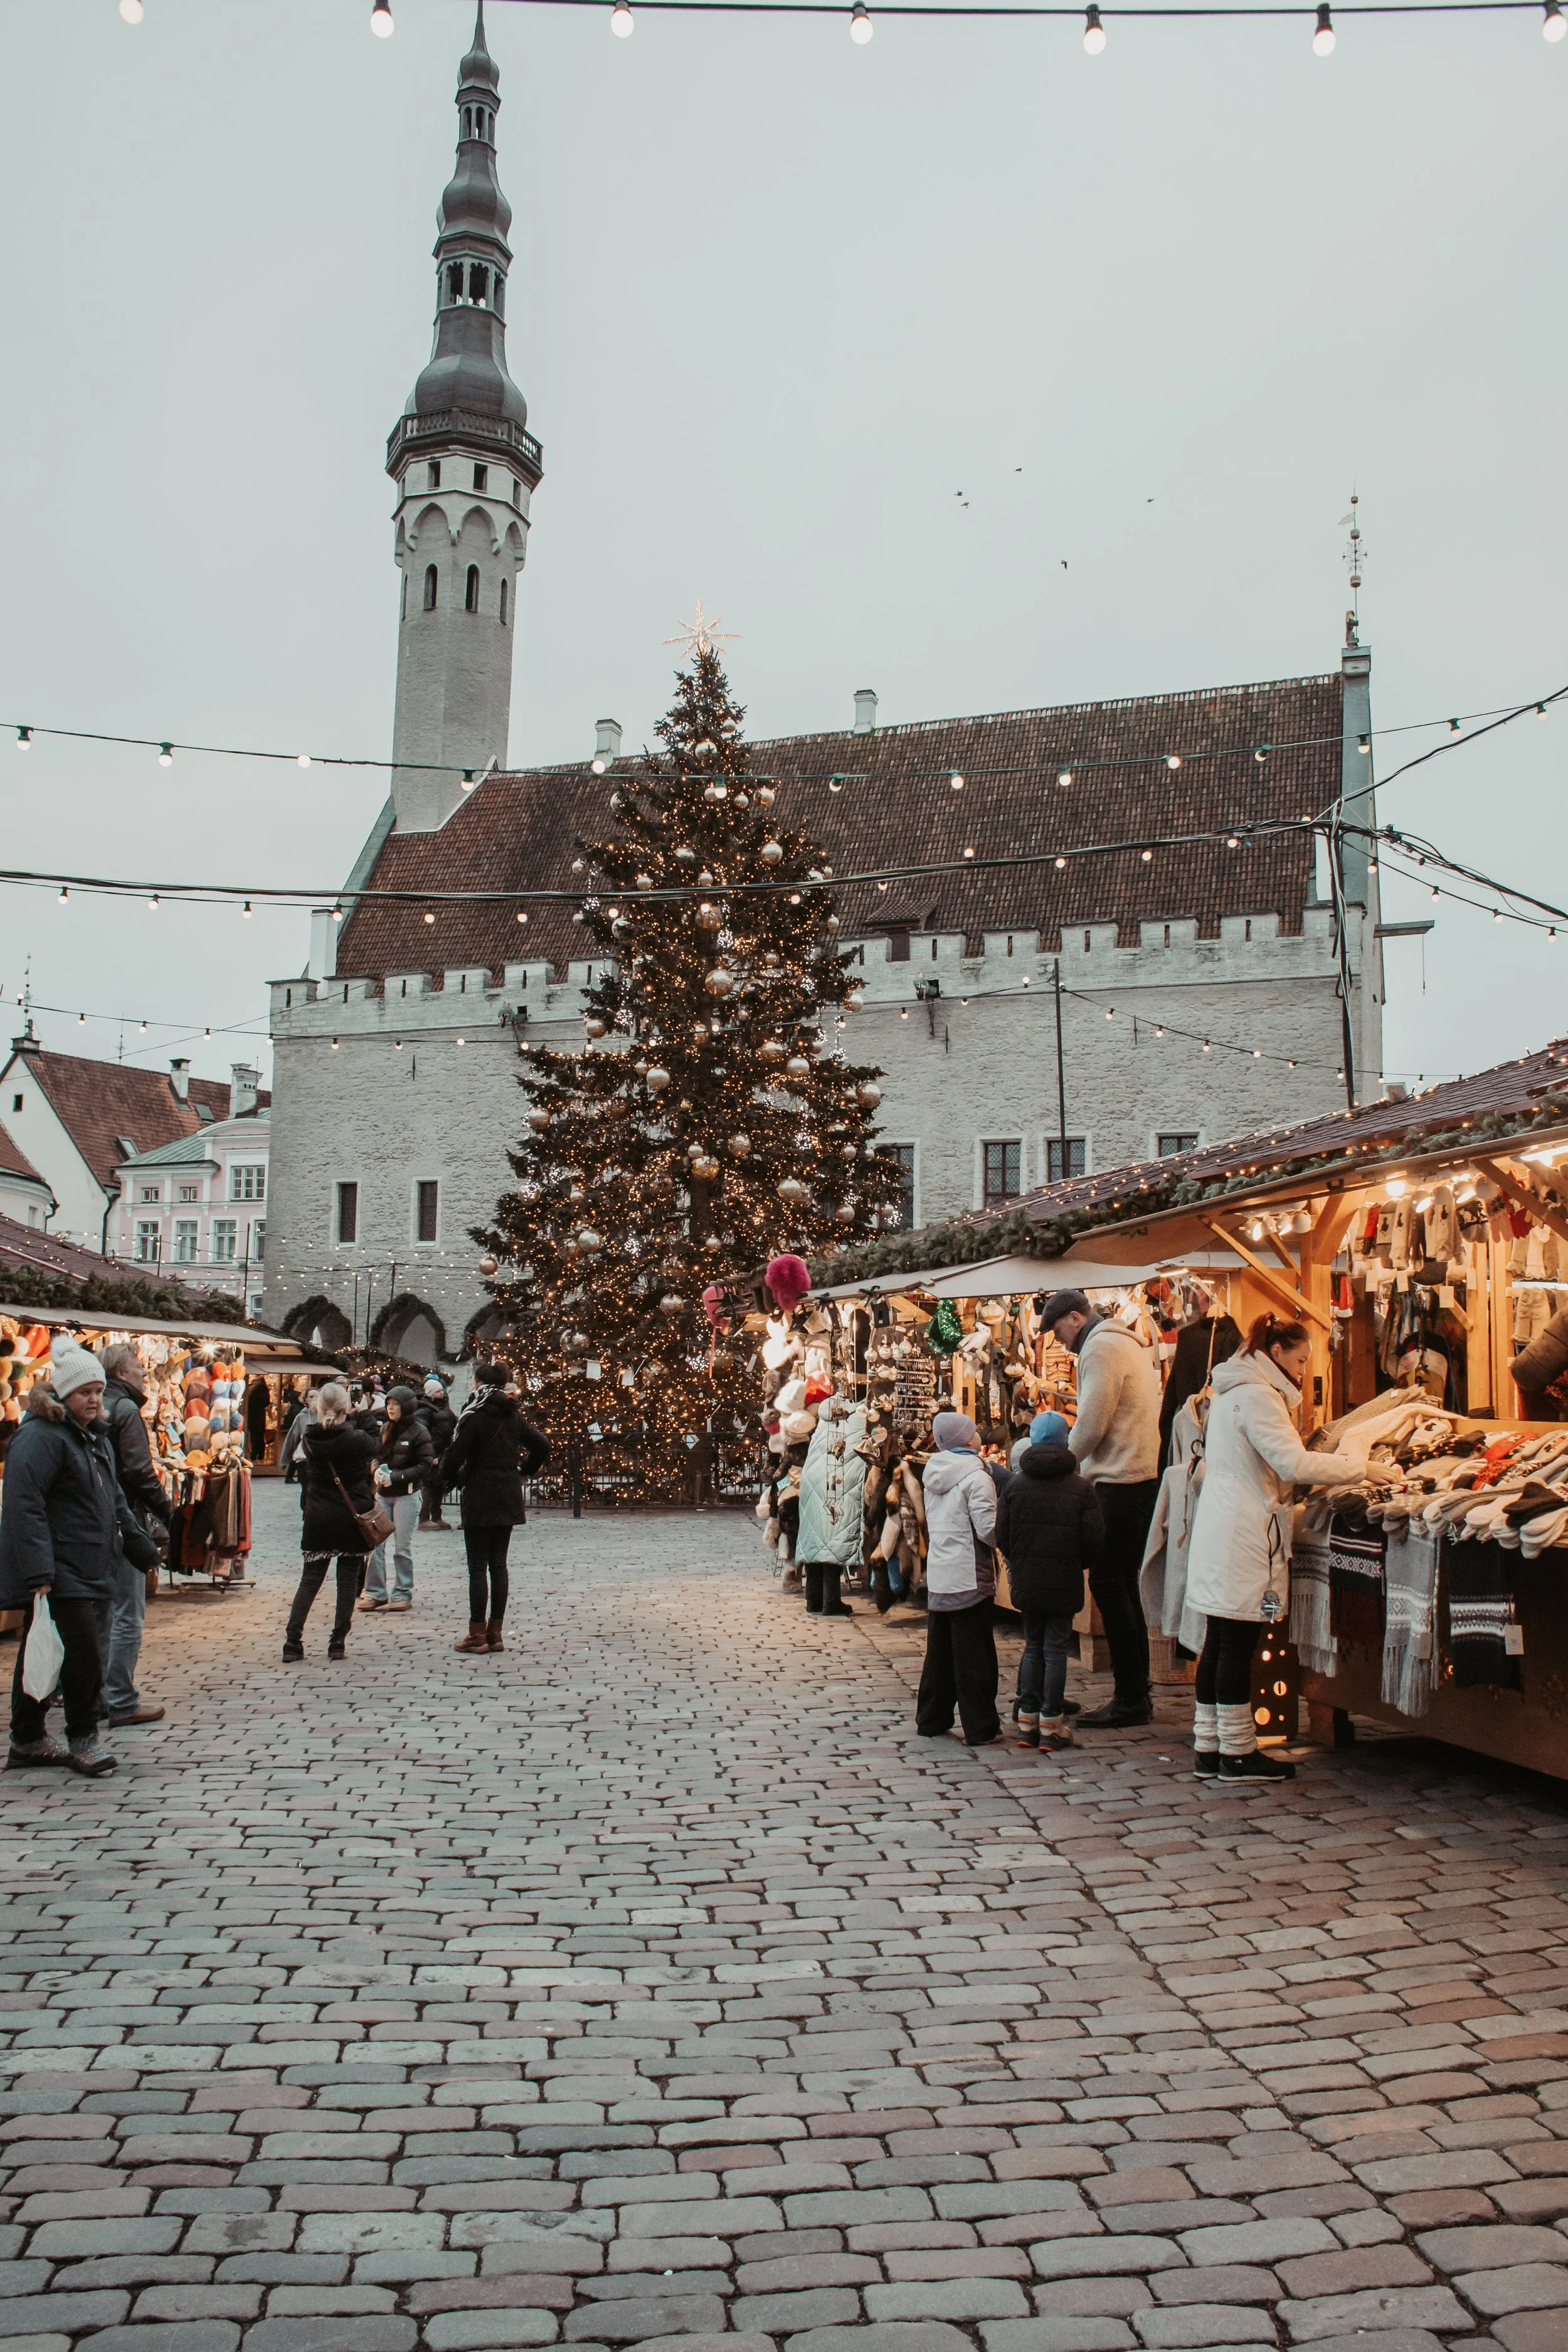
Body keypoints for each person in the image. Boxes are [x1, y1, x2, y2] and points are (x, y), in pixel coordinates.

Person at [1184, 1316, 1368, 1783]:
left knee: (1219, 1639)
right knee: (1238, 1643)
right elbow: (1292, 1462)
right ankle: (1237, 1753)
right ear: (1277, 1352)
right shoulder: (1259, 1397)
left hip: (1224, 1527)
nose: (1304, 1371)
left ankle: (1210, 1747)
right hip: (1245, 1532)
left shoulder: (1231, 1391)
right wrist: (1360, 1469)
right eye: (1301, 1360)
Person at [1, 1342, 161, 1775]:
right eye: (84, 1392)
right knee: (83, 1654)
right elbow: (24, 1506)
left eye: (98, 1391)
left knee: (42, 1653)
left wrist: (140, 1547)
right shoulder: (40, 1437)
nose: (93, 1400)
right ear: (64, 1394)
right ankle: (83, 1738)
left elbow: (114, 1501)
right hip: (59, 1567)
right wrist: (38, 1570)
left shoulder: (93, 1437)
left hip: (90, 1564)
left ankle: (27, 1739)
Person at [1038, 1289, 1163, 1730]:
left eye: (1058, 1331)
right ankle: (1136, 1690)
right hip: (1138, 1475)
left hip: (1118, 1481)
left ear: (1076, 1318)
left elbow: (1092, 1423)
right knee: (1123, 1586)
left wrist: (1059, 1466)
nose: (1059, 1341)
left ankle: (1131, 1697)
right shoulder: (1124, 1342)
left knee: (1111, 1586)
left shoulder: (1100, 1348)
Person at [995, 1410, 1104, 1754]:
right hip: (1063, 1580)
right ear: (1064, 1441)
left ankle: (1027, 1721)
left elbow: (1002, 1535)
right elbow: (1094, 1541)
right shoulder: (1081, 1488)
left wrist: (1020, 1560)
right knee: (1055, 1649)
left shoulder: (1014, 1486)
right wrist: (1077, 1563)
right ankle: (1051, 1723)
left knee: (1033, 1646)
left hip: (1027, 1581)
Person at [438, 1360, 550, 1654]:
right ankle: (496, 1634)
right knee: (499, 1565)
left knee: (477, 1567)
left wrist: (450, 1478)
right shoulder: (512, 1413)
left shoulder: (474, 1414)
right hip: (507, 1493)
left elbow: (454, 1455)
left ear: (479, 1383)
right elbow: (542, 1445)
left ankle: (476, 1635)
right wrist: (524, 1471)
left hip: (480, 1492)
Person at [96, 1343, 175, 1729]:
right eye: (138, 1368)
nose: (144, 1373)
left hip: (97, 1522)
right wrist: (168, 1510)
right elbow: (140, 1471)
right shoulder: (125, 1408)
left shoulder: (98, 1405)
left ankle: (93, 1694)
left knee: (101, 1613)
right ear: (121, 1374)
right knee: (128, 1613)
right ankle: (121, 1700)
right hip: (123, 1518)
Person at [916, 1410, 1001, 1745]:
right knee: (975, 1655)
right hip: (970, 1575)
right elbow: (987, 1529)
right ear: (966, 1439)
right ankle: (981, 1727)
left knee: (939, 1654)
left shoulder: (933, 1474)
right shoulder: (976, 1477)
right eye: (974, 1430)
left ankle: (931, 1719)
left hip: (941, 1574)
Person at [285, 1381, 378, 1662]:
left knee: (310, 1579)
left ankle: (292, 1640)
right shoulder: (356, 1438)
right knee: (347, 1580)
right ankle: (337, 1641)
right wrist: (365, 1413)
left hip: (319, 1513)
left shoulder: (309, 1438)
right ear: (345, 1409)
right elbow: (377, 1445)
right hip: (351, 1514)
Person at [359, 1386, 434, 1614]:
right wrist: (376, 1471)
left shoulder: (420, 1432)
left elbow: (425, 1465)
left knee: (402, 1546)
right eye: (389, 1404)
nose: (391, 1408)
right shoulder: (385, 1428)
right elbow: (375, 1455)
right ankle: (375, 1592)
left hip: (406, 1496)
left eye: (396, 1404)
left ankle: (402, 1592)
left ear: (407, 1407)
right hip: (383, 1494)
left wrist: (397, 1477)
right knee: (375, 1544)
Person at [418, 1375, 457, 1527]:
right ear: (430, 1393)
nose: (442, 1393)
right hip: (432, 1452)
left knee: (440, 1484)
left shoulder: (444, 1406)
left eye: (442, 1390)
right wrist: (430, 1454)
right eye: (438, 1391)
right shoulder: (424, 1410)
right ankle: (424, 1518)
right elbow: (423, 1433)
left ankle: (436, 1516)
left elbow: (452, 1421)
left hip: (443, 1451)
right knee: (429, 1485)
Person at [279, 1388, 320, 1484]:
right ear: (306, 1400)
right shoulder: (301, 1417)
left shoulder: (324, 1416)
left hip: (319, 1457)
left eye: (317, 1397)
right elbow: (292, 1438)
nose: (314, 1400)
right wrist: (284, 1460)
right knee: (306, 1488)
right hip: (304, 1457)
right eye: (311, 1397)